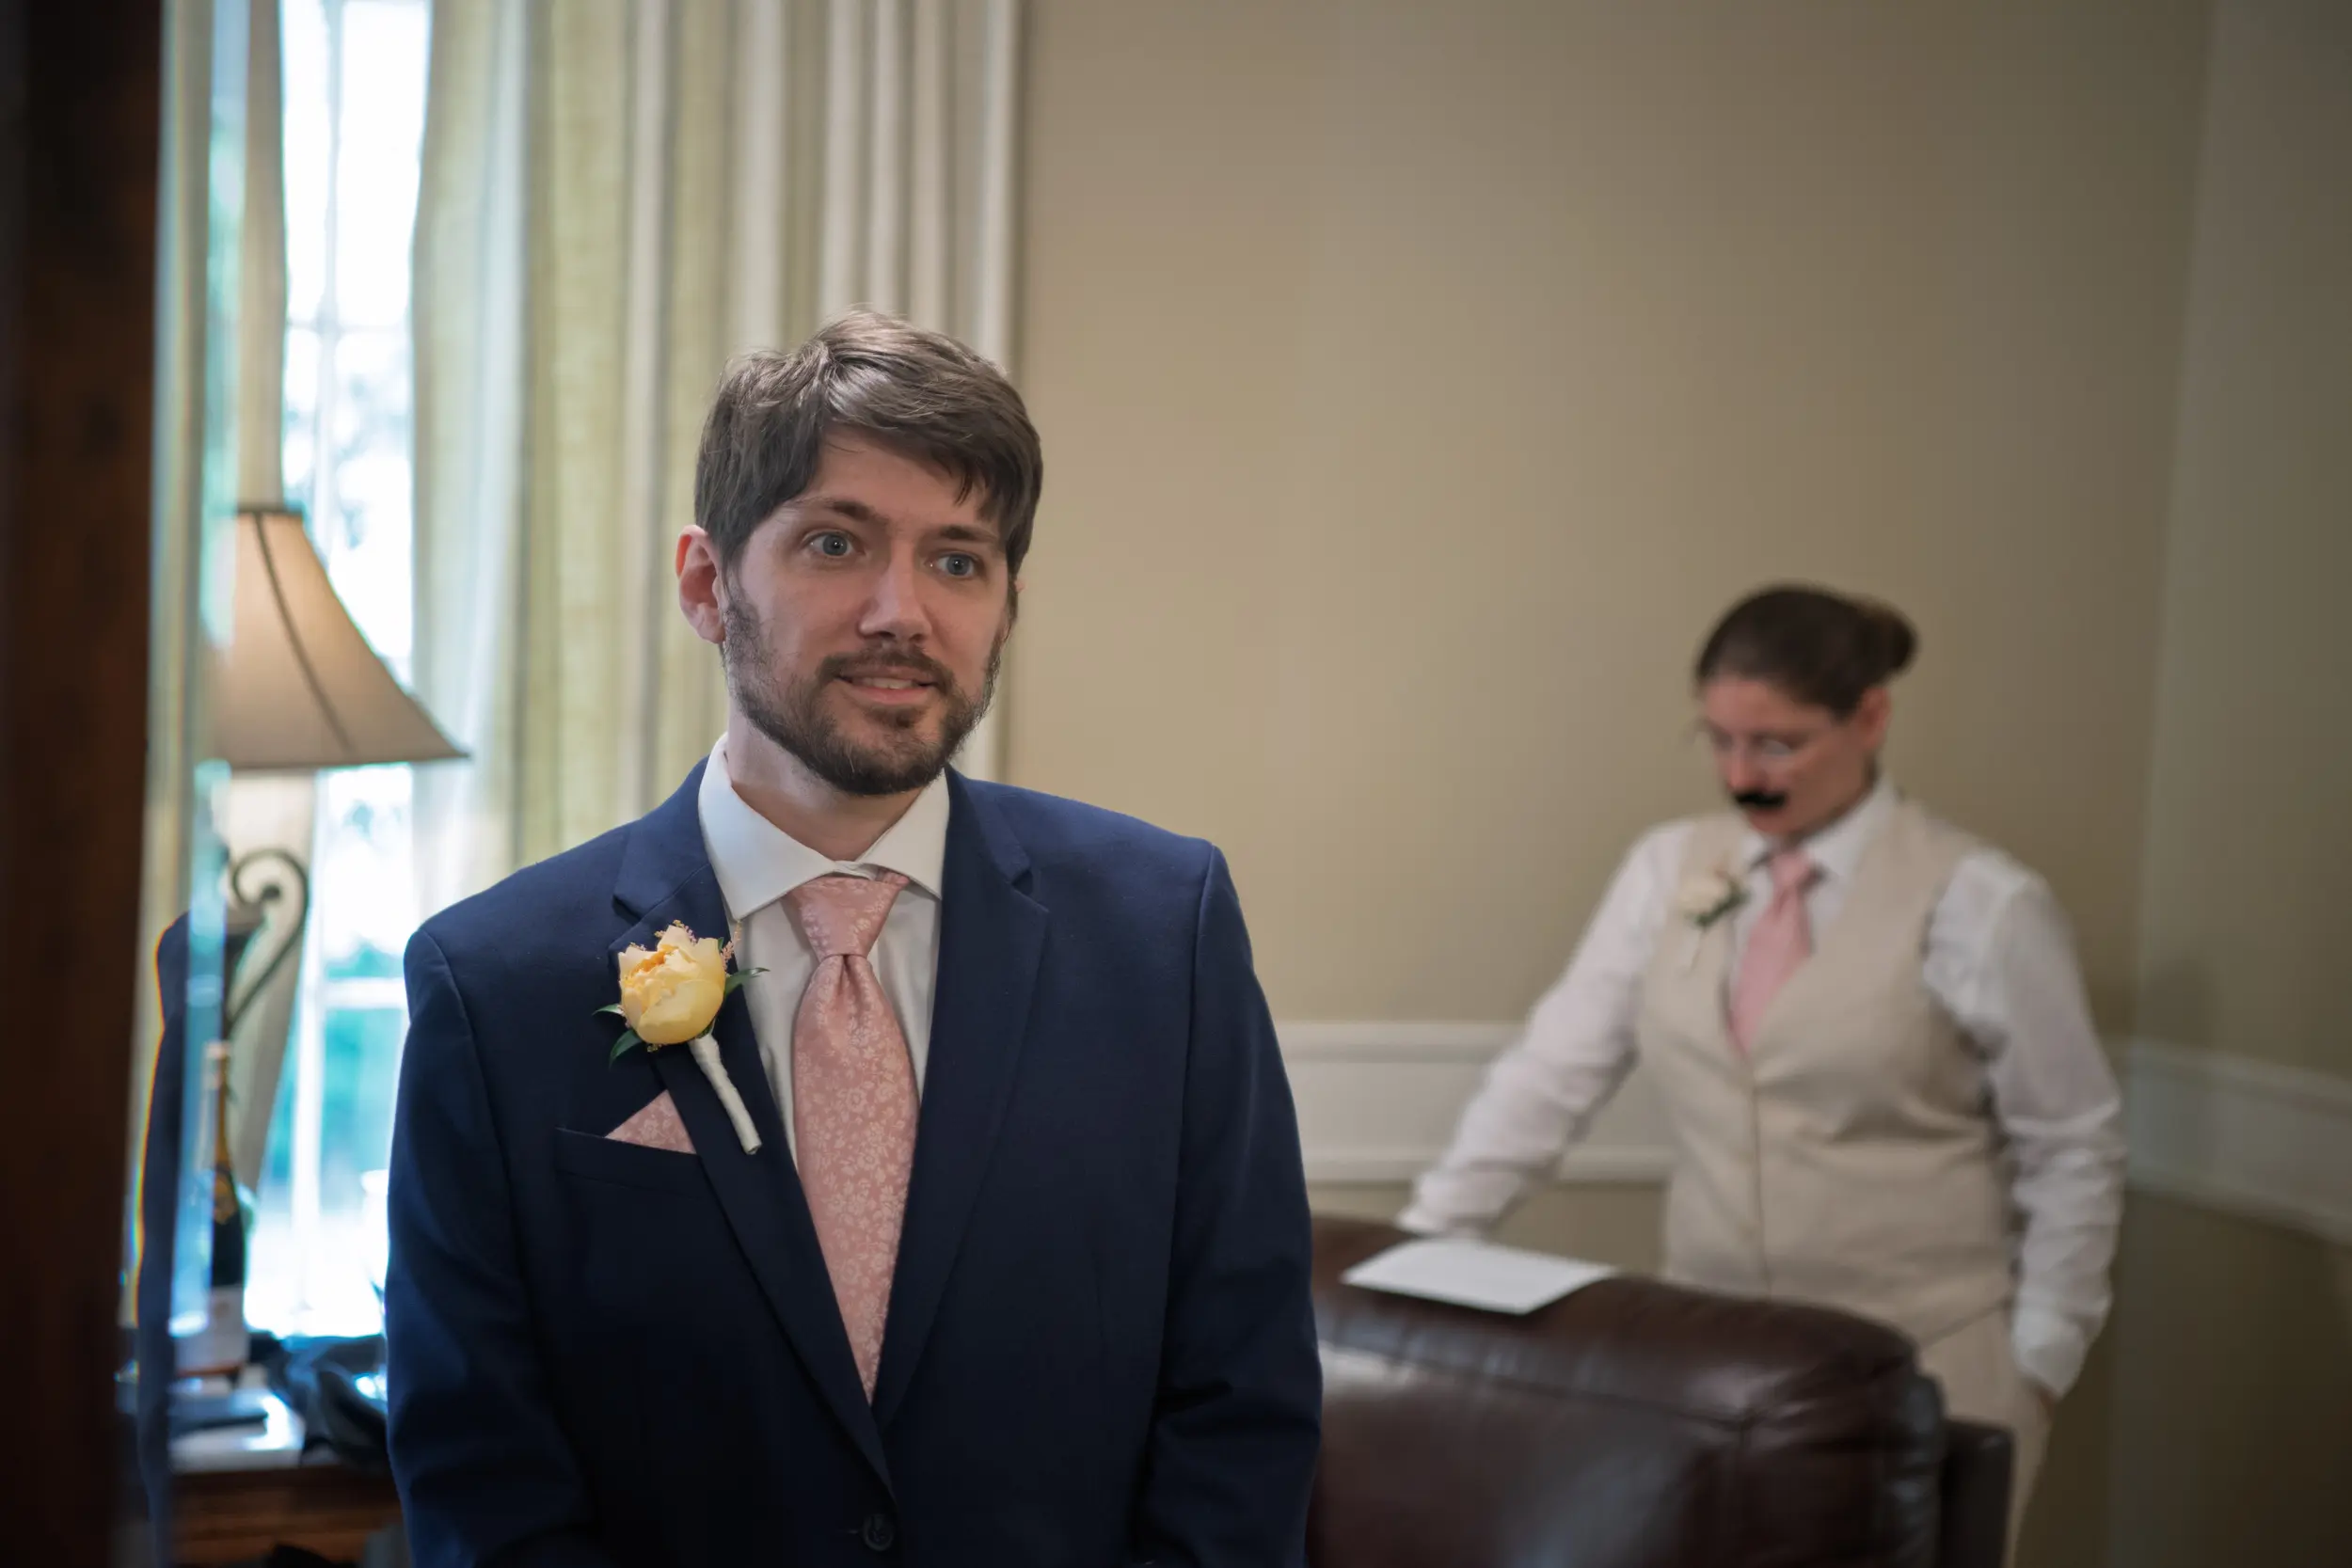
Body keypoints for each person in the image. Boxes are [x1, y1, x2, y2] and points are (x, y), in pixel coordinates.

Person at [385, 312, 1321, 1567]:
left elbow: (1243, 1407)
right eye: (837, 543)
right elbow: (483, 1480)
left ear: (1007, 606)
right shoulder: (493, 983)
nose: (902, 612)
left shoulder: (1167, 931)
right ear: (707, 584)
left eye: (958, 559)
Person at [1401, 584, 2124, 1545]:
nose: (1742, 776)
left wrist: (2038, 1360)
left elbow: (2071, 1145)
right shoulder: (1666, 869)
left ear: (1870, 716)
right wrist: (1424, 1239)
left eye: (1777, 744)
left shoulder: (1982, 903)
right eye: (1719, 740)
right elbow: (1550, 1072)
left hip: (1930, 1368)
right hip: (1718, 1374)